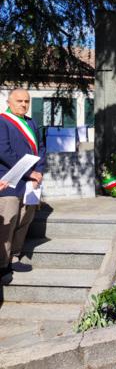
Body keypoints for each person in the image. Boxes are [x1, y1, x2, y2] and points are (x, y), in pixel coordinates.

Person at [0, 89, 46, 279]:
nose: (24, 104)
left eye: (26, 101)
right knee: (7, 222)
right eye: (19, 101)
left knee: (24, 219)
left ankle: (15, 257)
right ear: (9, 102)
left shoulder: (31, 122)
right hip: (8, 180)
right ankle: (2, 264)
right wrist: (30, 172)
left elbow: (41, 148)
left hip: (31, 182)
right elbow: (4, 152)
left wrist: (39, 172)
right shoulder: (2, 122)